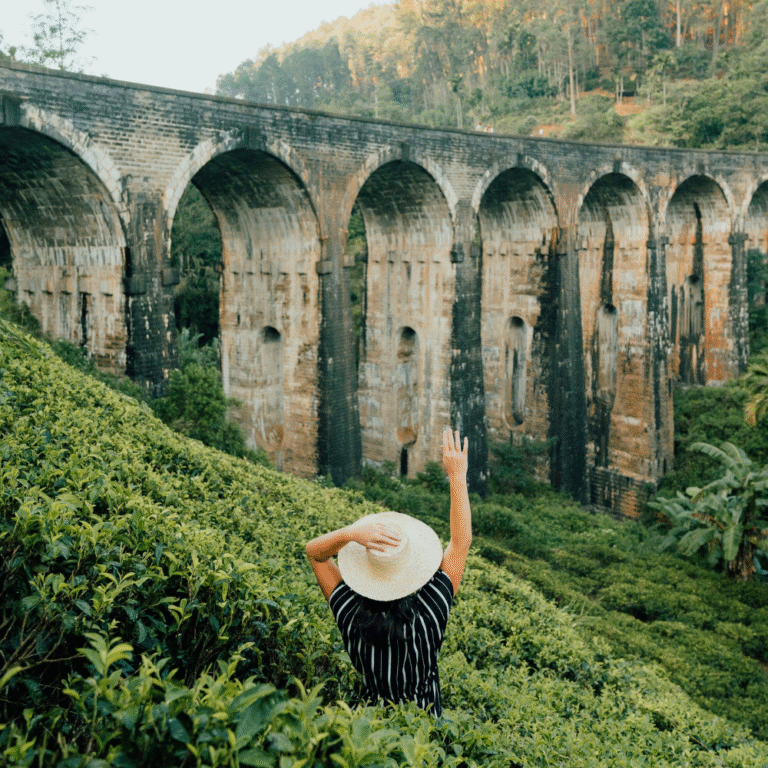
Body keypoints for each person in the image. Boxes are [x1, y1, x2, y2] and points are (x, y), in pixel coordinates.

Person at [305, 429, 472, 718]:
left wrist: (351, 534)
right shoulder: (428, 618)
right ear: (411, 572)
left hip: (369, 729)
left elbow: (315, 553)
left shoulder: (349, 614)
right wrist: (457, 476)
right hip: (422, 730)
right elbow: (460, 543)